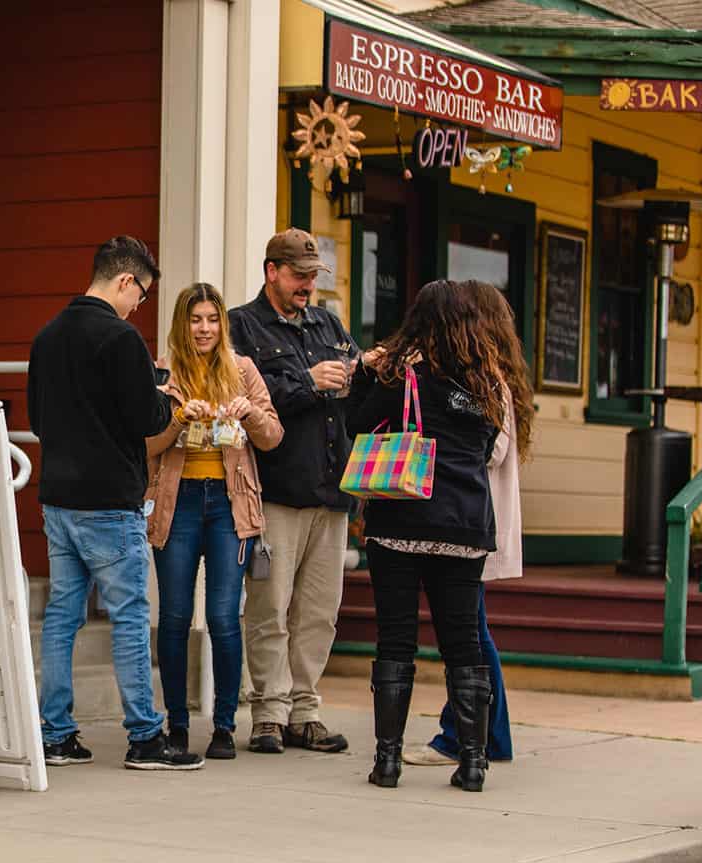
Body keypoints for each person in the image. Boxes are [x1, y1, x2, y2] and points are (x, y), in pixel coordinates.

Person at [28, 235, 205, 772]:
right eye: (142, 295)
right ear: (125, 281)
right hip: (109, 500)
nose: (139, 306)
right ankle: (146, 738)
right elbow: (147, 421)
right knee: (129, 617)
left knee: (62, 617)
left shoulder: (47, 336)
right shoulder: (121, 338)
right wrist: (167, 398)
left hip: (58, 497)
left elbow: (38, 420)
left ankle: (55, 733)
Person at [347, 279, 502, 792]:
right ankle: (474, 764)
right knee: (463, 645)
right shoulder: (486, 384)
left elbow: (359, 423)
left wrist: (366, 375)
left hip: (403, 520)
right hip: (465, 523)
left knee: (396, 639)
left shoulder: (403, 376)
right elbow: (483, 449)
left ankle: (387, 762)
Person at [229, 228, 358, 755]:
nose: (309, 285)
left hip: (331, 488)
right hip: (276, 488)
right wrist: (309, 381)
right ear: (272, 271)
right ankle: (268, 713)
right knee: (269, 606)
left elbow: (353, 388)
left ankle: (305, 711)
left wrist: (362, 372)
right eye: (300, 275)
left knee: (320, 611)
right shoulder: (241, 324)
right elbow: (240, 394)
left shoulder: (328, 321)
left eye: (313, 276)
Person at [145, 283, 283, 760]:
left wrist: (250, 415)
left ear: (223, 323)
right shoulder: (164, 373)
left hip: (229, 505)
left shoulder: (242, 369)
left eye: (212, 319)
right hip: (177, 501)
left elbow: (272, 436)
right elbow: (145, 445)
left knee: (224, 617)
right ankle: (177, 724)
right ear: (182, 324)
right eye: (195, 319)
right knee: (176, 617)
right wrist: (179, 417)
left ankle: (224, 725)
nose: (204, 328)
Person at [404, 281, 533, 768]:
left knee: (470, 635)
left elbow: (492, 450)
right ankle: (481, 732)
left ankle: (470, 734)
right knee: (472, 631)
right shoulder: (485, 375)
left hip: (472, 520)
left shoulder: (485, 380)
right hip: (472, 519)